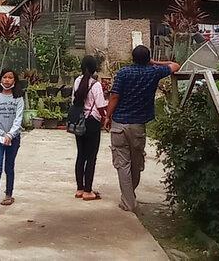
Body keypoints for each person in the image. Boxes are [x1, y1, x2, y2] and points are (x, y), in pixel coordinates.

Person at [104, 45, 180, 213]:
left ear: (132, 58)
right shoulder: (153, 72)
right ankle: (130, 198)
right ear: (148, 59)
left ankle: (128, 201)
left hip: (119, 123)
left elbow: (115, 96)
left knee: (122, 164)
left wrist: (108, 116)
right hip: (138, 125)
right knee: (136, 163)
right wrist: (154, 62)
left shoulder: (123, 73)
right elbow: (175, 65)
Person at [0, 68, 24, 217]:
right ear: (0, 79)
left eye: (10, 78)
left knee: (9, 166)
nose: (7, 80)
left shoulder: (18, 98)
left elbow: (18, 119)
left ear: (15, 81)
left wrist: (10, 135)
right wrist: (2, 134)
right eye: (5, 77)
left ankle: (9, 194)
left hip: (13, 138)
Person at [72, 55, 108, 201]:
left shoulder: (77, 81)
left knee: (81, 154)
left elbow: (74, 101)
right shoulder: (96, 85)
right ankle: (88, 191)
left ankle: (80, 188)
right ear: (94, 68)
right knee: (91, 156)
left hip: (79, 121)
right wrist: (106, 118)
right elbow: (100, 106)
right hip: (92, 122)